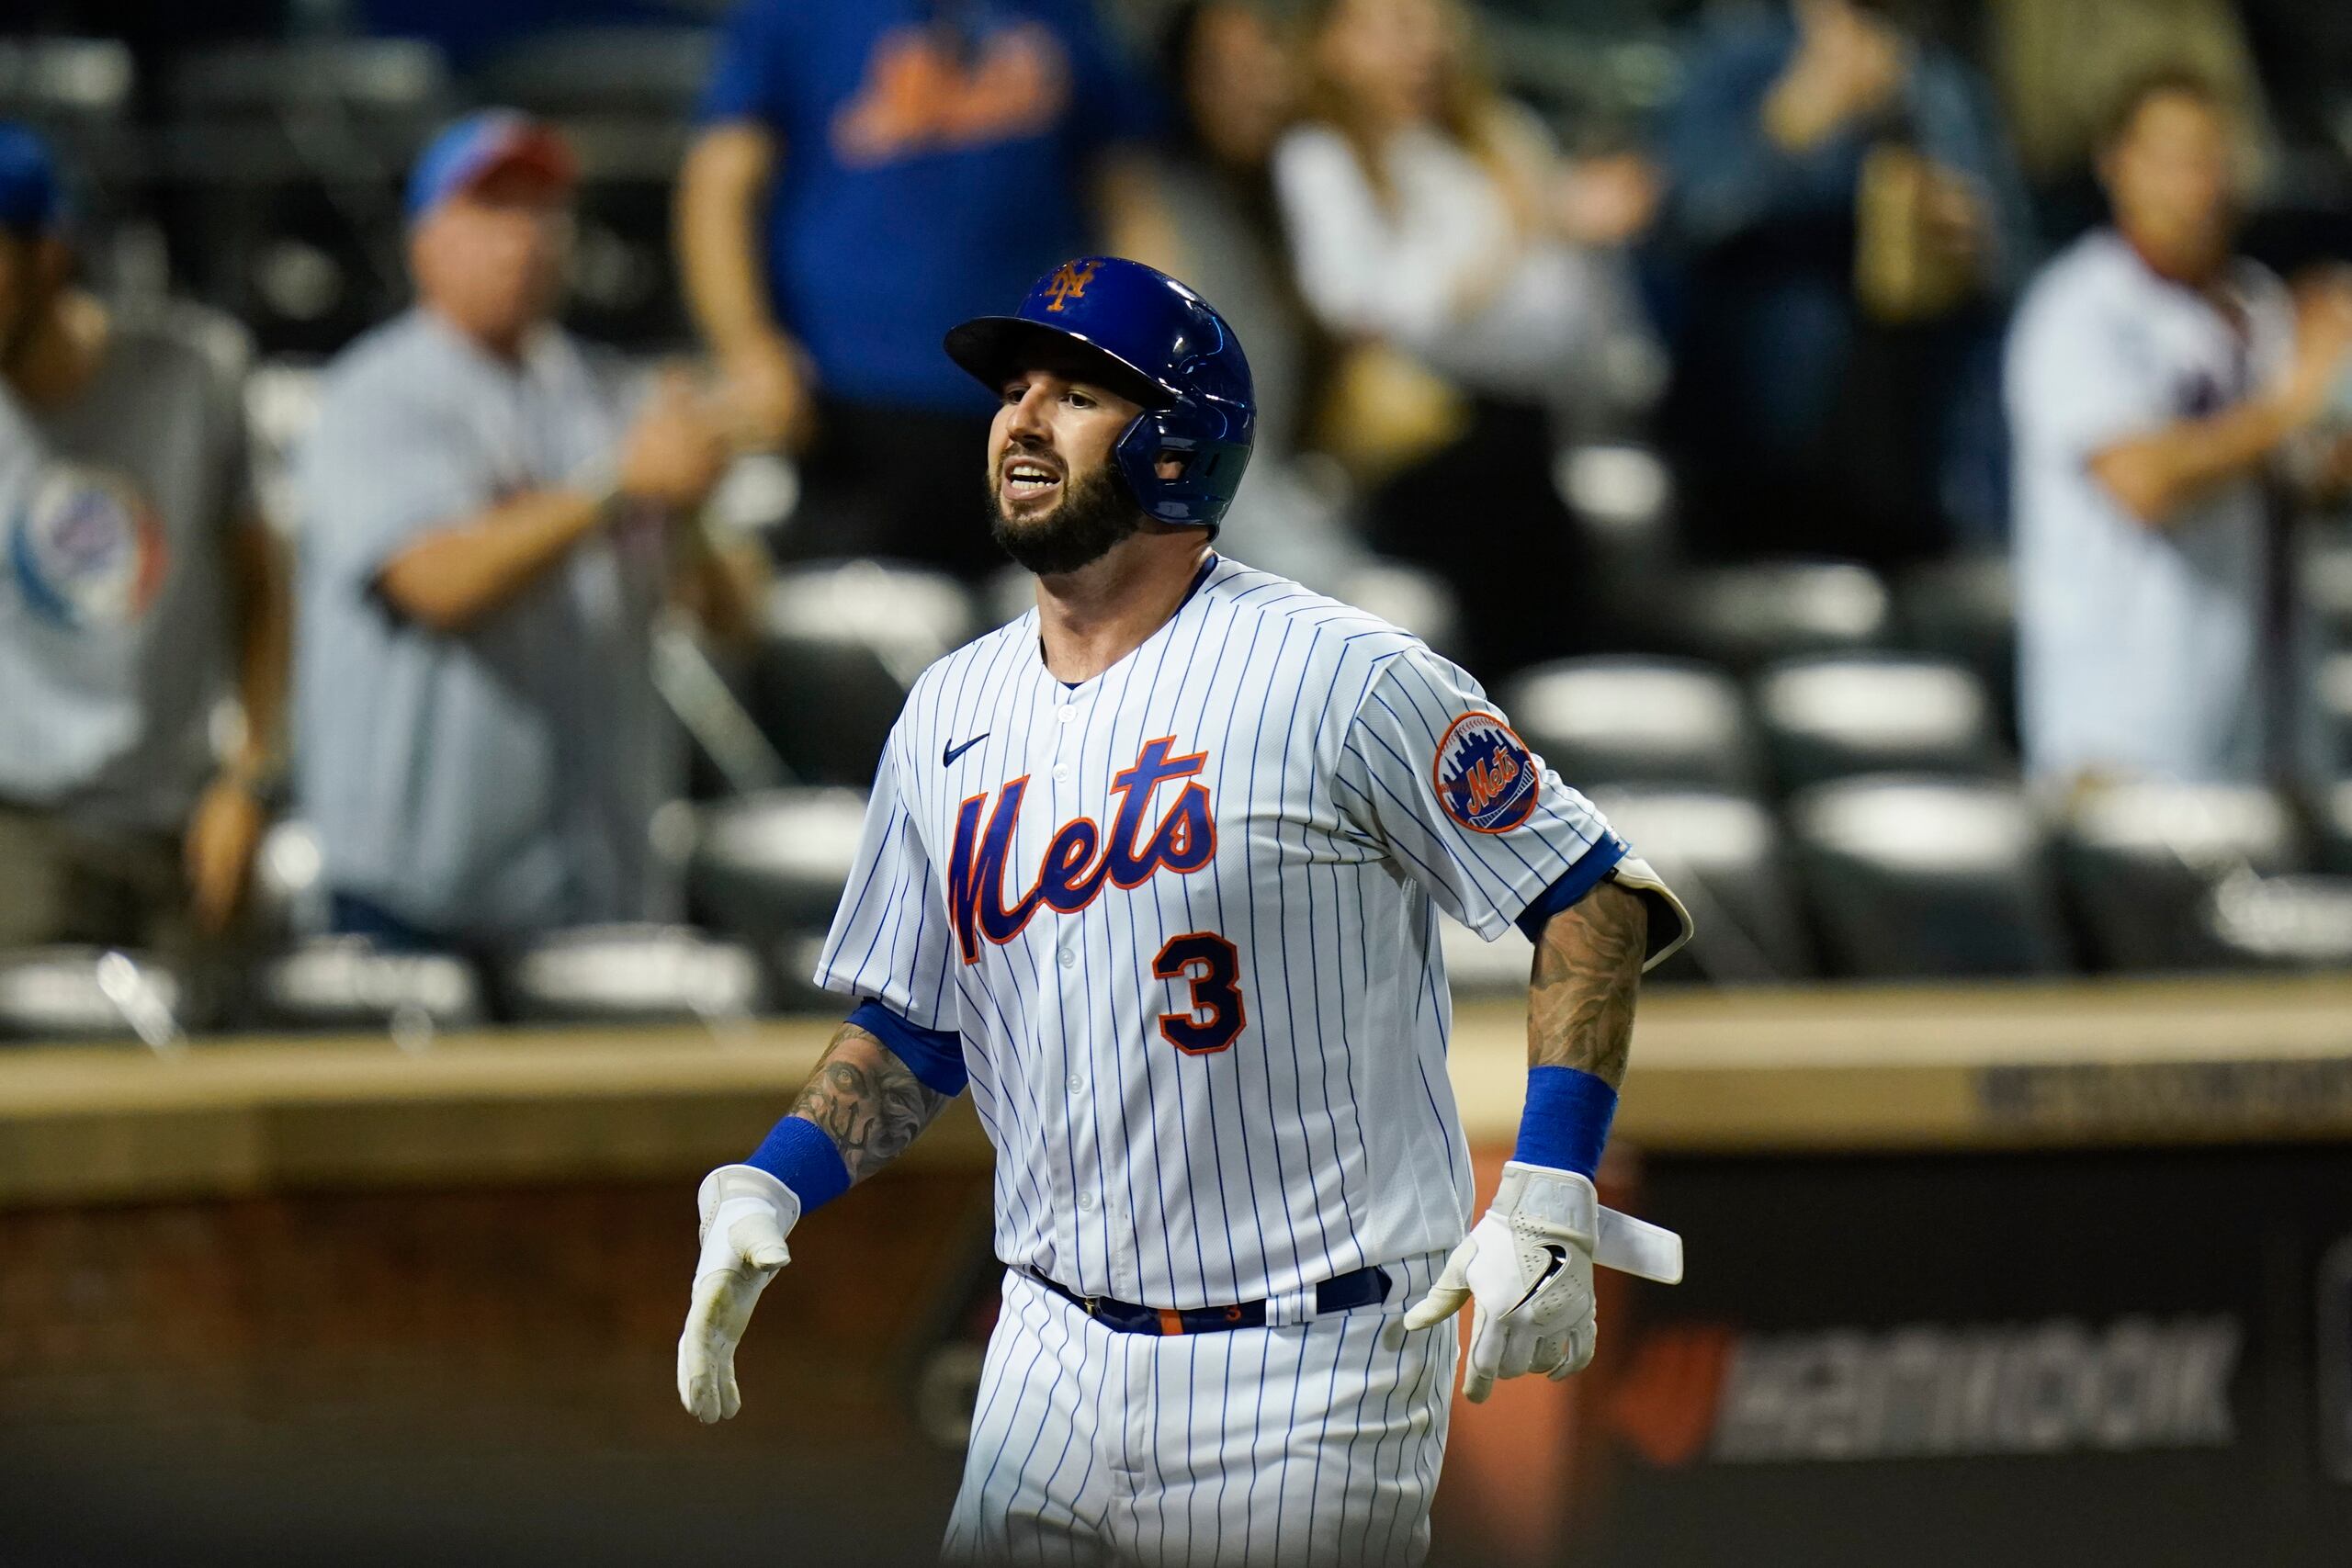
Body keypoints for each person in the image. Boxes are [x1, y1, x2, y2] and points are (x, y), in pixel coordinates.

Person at [673, 256, 1692, 1564]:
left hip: (1304, 1364)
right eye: (1014, 389)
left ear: (1177, 445)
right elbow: (927, 1022)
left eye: (1079, 392)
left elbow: (1588, 891)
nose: (1021, 419)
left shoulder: (1342, 674)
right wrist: (777, 1175)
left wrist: (1549, 1179)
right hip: (1041, 1342)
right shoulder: (948, 710)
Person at [295, 111, 737, 953]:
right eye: (491, 210)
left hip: (596, 889)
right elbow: (436, 585)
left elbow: (731, 616)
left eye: (542, 211)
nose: (523, 238)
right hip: (417, 900)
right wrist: (620, 483)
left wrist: (691, 506)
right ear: (424, 241)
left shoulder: (609, 394)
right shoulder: (374, 396)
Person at [675, 0, 1174, 582]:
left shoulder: (1067, 16)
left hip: (1033, 409)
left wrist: (1144, 356)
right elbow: (718, 184)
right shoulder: (797, 13)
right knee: (861, 633)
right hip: (846, 409)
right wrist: (749, 349)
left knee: (1039, 642)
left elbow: (1129, 200)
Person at [1273, 0, 1659, 674]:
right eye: (1394, 29)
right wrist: (1517, 234)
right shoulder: (1320, 155)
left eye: (1432, 27)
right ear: (1332, 45)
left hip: (1529, 430)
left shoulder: (1496, 139)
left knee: (1569, 641)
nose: (1423, 49)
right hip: (1418, 448)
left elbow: (1565, 312)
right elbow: (1366, 311)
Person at [2007, 72, 2352, 792]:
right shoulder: (2078, 308)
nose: (2197, 183)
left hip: (2266, 737)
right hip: (2125, 745)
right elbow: (2142, 480)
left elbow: (2305, 471)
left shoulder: (2257, 304)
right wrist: (2296, 400)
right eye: (2173, 158)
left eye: (2214, 158)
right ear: (2117, 164)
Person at [0, 123, 288, 957]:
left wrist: (251, 776)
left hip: (182, 819)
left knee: (217, 1075)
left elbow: (264, 590)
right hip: (19, 828)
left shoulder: (195, 373)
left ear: (47, 258)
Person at [1657, 0, 2032, 564]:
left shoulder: (1939, 79)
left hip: (1918, 445)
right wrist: (1794, 121)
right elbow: (1683, 215)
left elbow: (2016, 263)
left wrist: (1975, 243)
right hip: (1763, 450)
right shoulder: (1737, 58)